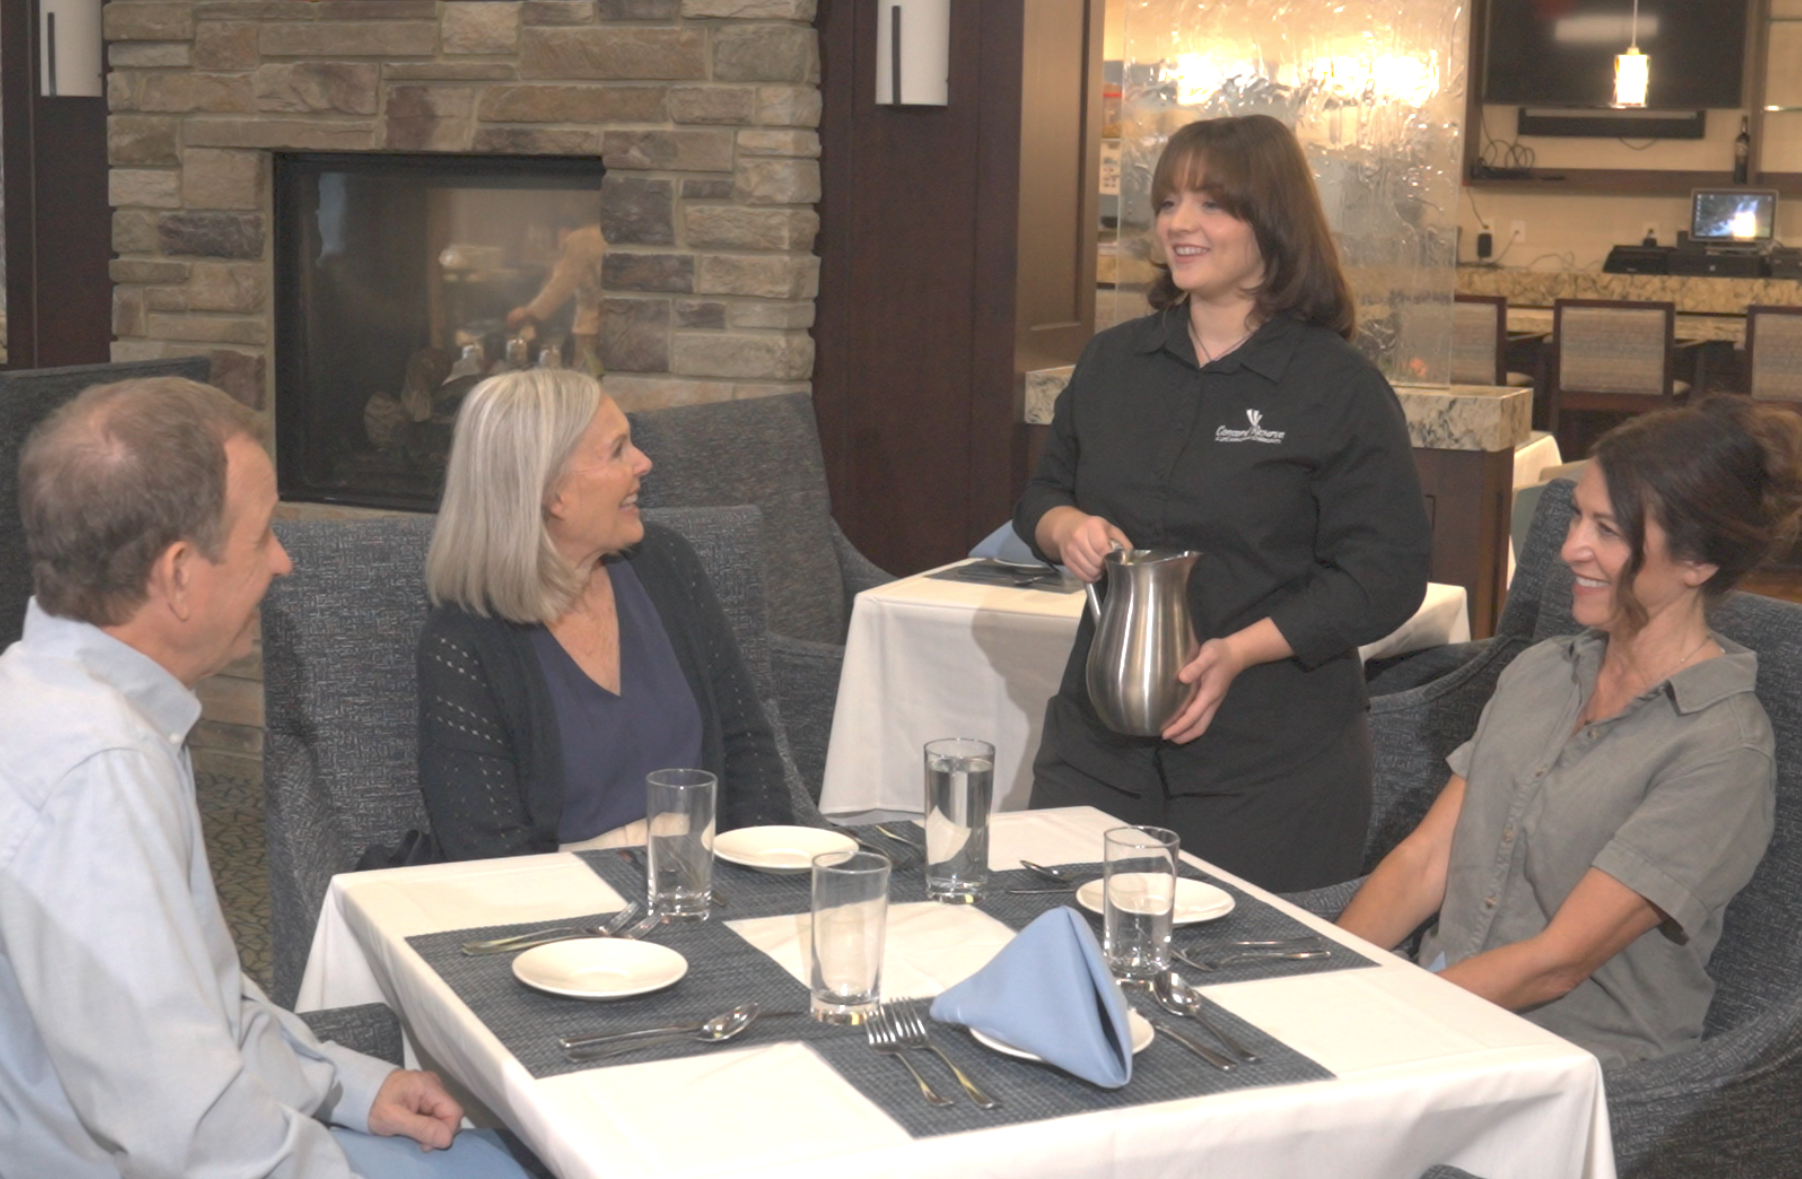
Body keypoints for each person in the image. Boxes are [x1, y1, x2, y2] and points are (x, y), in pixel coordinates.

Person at [0, 378, 530, 1177]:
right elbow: (188, 1129)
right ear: (178, 575)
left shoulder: (68, 697)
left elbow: (198, 1004)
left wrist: (348, 1083)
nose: (283, 561)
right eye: (262, 536)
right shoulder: (95, 774)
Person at [1015, 114, 1433, 892]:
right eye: (1169, 201)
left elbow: (1386, 575)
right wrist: (1062, 526)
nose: (1179, 223)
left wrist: (1240, 650)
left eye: (1210, 204)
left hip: (1270, 766)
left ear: (1270, 221)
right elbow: (1042, 493)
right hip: (1097, 748)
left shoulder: (1335, 386)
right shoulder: (1115, 361)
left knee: (1237, 992)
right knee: (1058, 946)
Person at [1337, 398, 1802, 1065]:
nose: (1568, 547)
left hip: (1570, 1069)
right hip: (1440, 1014)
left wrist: (1385, 1019)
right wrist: (1327, 990)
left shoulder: (1722, 748)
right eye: (1578, 515)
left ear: (1697, 561)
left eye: (1608, 529)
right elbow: (1423, 863)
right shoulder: (1543, 672)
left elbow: (1557, 963)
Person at [417, 368, 793, 860]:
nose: (644, 462)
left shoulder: (666, 565)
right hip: (567, 905)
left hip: (708, 877)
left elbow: (748, 746)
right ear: (552, 491)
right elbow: (487, 848)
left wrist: (767, 876)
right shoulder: (463, 642)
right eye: (617, 450)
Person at [507, 223, 606, 376]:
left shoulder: (582, 239)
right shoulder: (617, 235)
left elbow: (562, 284)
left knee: (589, 381)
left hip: (592, 326)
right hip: (626, 325)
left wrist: (529, 311)